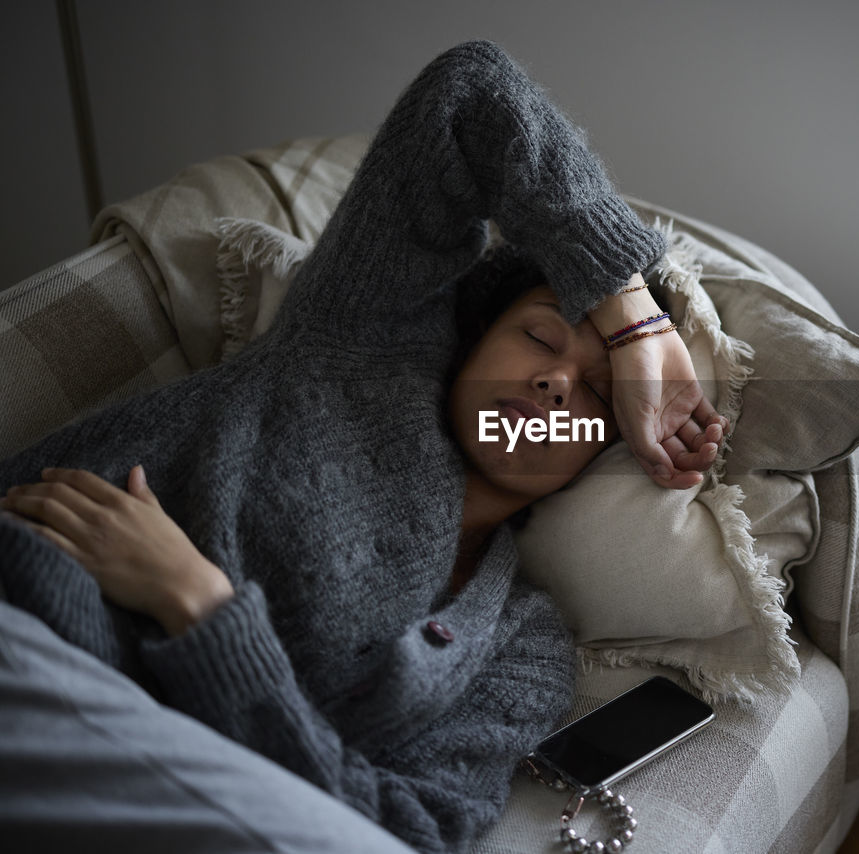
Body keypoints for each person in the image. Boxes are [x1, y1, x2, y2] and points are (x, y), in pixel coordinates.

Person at [0, 40, 724, 853]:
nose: (559, 380)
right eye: (537, 337)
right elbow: (472, 93)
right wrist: (635, 321)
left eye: (597, 392)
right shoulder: (355, 351)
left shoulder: (522, 647)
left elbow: (408, 827)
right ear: (472, 343)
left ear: (600, 452)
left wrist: (202, 611)